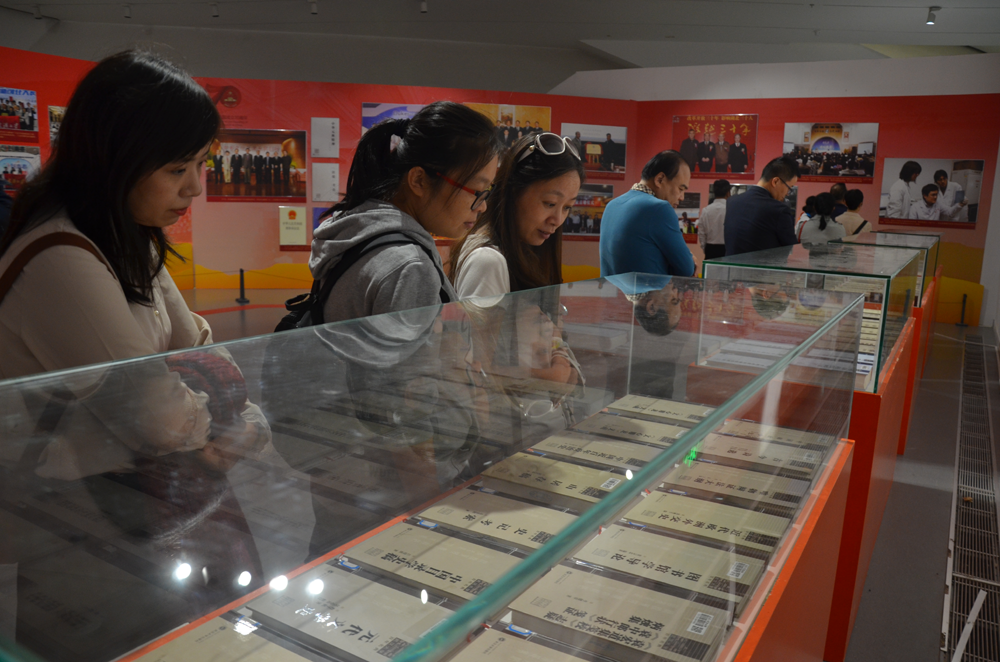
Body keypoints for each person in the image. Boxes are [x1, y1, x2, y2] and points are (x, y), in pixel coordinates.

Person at [0, 49, 268, 472]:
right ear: (114, 158)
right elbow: (162, 421)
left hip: (117, 489)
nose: (194, 188)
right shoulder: (60, 260)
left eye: (200, 164)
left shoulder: (128, 237)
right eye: (177, 169)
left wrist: (246, 423)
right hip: (59, 501)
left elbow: (200, 353)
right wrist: (231, 423)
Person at [309, 101, 502, 323]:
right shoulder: (410, 267)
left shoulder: (355, 230)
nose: (483, 206)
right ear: (419, 180)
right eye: (476, 190)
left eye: (487, 192)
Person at [451, 132, 584, 300]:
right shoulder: (487, 261)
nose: (557, 220)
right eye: (550, 203)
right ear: (514, 191)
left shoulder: (524, 249)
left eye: (567, 207)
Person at [599, 150, 696, 277]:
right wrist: (690, 259)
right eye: (681, 189)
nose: (682, 197)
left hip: (611, 289)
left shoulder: (612, 205)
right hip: (647, 290)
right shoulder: (659, 209)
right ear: (660, 179)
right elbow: (686, 269)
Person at [724, 155, 798, 256]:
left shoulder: (732, 201)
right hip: (764, 266)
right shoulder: (779, 210)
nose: (787, 193)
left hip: (730, 265)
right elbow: (791, 248)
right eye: (789, 188)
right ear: (775, 181)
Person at [697, 179, 729, 259]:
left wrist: (705, 248)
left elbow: (701, 232)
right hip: (727, 249)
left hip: (710, 248)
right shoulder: (731, 210)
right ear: (728, 193)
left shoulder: (706, 210)